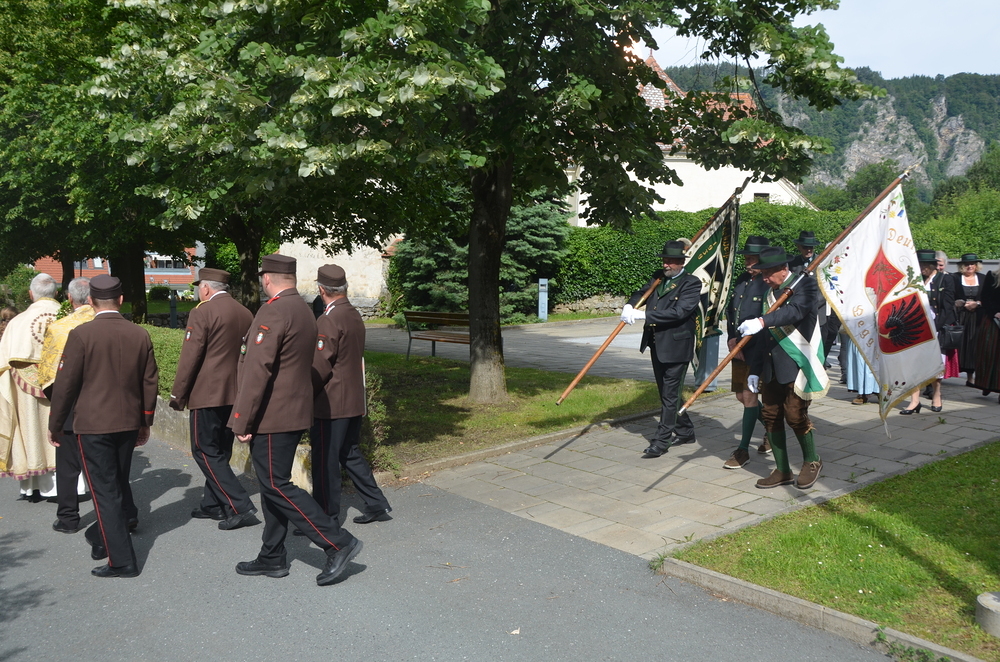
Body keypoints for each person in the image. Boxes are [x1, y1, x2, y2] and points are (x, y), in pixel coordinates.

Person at [230, 254, 362, 586]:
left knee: (276, 484)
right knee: (272, 485)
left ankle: (337, 542)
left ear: (266, 278)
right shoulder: (304, 309)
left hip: (272, 414)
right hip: (292, 412)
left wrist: (242, 419)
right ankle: (272, 555)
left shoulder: (273, 310)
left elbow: (257, 370)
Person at [47, 275, 158, 578]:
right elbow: (149, 381)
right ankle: (101, 537)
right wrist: (145, 421)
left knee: (105, 491)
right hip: (128, 422)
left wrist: (55, 425)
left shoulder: (82, 334)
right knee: (116, 484)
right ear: (121, 300)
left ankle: (121, 560)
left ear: (90, 301)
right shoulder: (140, 334)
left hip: (93, 424)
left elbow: (65, 386)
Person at [169, 267, 258, 530]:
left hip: (207, 393)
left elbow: (190, 357)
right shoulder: (245, 313)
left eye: (199, 286)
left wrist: (178, 394)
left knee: (205, 451)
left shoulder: (202, 312)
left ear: (206, 288)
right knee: (221, 450)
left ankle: (239, 505)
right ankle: (213, 503)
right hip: (235, 392)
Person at [738, 246, 826, 490]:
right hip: (771, 365)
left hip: (797, 362)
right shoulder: (769, 293)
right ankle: (782, 470)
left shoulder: (805, 286)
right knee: (770, 416)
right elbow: (763, 336)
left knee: (795, 415)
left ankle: (812, 461)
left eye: (768, 273)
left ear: (784, 269)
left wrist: (762, 320)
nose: (765, 278)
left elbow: (795, 312)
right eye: (763, 273)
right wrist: (754, 369)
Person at [309, 264, 391, 527]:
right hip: (353, 398)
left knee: (325, 461)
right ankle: (376, 503)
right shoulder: (353, 313)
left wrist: (303, 393)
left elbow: (320, 366)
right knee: (349, 453)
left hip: (332, 403)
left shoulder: (329, 318)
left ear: (321, 290)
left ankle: (326, 518)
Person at [621, 240, 701, 458]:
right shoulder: (658, 277)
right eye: (665, 260)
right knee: (666, 392)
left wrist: (644, 315)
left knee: (669, 394)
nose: (666, 265)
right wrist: (630, 305)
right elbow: (641, 293)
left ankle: (661, 441)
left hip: (677, 346)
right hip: (657, 343)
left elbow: (679, 312)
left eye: (671, 261)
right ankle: (685, 430)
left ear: (681, 263)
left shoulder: (691, 283)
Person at [38, 277, 94, 532]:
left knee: (68, 466)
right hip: (108, 407)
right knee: (108, 467)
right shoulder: (112, 325)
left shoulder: (60, 328)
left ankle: (68, 518)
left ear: (70, 298)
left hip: (72, 407)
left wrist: (57, 415)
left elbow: (50, 377)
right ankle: (125, 514)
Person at [0, 274, 61, 500]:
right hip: (65, 388)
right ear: (56, 293)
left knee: (31, 430)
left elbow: (3, 366)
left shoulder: (17, 323)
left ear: (30, 294)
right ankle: (74, 485)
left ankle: (34, 484)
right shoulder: (70, 318)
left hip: (26, 393)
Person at [722, 235, 771, 469]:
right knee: (741, 397)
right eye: (747, 258)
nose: (748, 263)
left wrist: (745, 343)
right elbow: (732, 312)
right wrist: (732, 339)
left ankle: (743, 451)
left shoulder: (768, 283)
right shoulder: (742, 280)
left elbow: (768, 319)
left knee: (750, 396)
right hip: (738, 346)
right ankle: (772, 427)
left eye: (752, 259)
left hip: (757, 348)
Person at [900, 249, 956, 414]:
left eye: (925, 265)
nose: (922, 268)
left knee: (935, 362)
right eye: (920, 265)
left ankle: (936, 395)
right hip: (915, 326)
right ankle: (914, 400)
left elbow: (947, 308)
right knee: (914, 363)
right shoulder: (913, 279)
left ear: (933, 265)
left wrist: (935, 328)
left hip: (936, 325)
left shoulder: (945, 279)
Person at [953, 253, 985, 382]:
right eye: (967, 264)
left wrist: (977, 303)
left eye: (972, 264)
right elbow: (950, 295)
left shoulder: (982, 278)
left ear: (976, 265)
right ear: (962, 266)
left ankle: (971, 377)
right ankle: (954, 370)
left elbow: (988, 297)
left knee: (973, 344)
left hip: (977, 317)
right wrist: (960, 302)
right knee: (959, 343)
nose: (970, 266)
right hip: (960, 315)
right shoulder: (955, 278)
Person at [969, 268, 1000, 402]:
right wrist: (995, 313)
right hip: (992, 320)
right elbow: (985, 298)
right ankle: (986, 384)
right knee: (988, 353)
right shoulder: (992, 276)